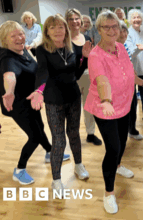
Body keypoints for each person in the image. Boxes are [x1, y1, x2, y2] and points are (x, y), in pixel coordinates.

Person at [84, 10, 143, 213]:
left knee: (122, 141)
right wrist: (106, 100)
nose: (112, 30)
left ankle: (117, 166)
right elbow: (102, 80)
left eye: (115, 26)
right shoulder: (96, 55)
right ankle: (109, 193)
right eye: (107, 27)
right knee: (113, 148)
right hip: (104, 108)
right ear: (99, 30)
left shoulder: (121, 48)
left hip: (124, 104)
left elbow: (129, 72)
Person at [0, 21, 69, 185]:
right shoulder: (6, 58)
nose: (19, 38)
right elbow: (10, 75)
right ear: (5, 40)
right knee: (34, 136)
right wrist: (9, 92)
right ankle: (20, 169)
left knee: (39, 128)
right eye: (13, 36)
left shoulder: (23, 50)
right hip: (17, 105)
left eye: (21, 33)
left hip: (31, 99)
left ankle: (49, 151)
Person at [29, 14, 92, 191]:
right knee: (58, 140)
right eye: (53, 27)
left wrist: (85, 58)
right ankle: (56, 179)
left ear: (66, 29)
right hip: (54, 100)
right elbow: (42, 72)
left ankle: (79, 165)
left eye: (60, 27)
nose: (57, 30)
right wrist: (39, 90)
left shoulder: (70, 48)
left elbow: (76, 76)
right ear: (47, 31)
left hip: (73, 97)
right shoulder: (42, 49)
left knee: (74, 134)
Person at [66, 8, 102, 146]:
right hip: (71, 79)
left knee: (89, 107)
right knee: (73, 109)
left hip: (87, 76)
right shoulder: (64, 40)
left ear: (81, 21)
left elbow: (90, 59)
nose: (74, 21)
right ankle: (73, 136)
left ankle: (91, 134)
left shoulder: (86, 38)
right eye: (71, 19)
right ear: (67, 22)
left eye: (77, 18)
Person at [117, 21, 143, 141]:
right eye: (121, 31)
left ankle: (132, 129)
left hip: (130, 83)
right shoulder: (114, 47)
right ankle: (121, 133)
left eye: (125, 31)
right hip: (120, 86)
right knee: (124, 110)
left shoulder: (125, 46)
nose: (123, 34)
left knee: (133, 107)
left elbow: (128, 62)